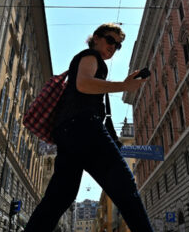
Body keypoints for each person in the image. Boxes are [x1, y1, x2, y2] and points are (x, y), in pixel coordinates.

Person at [24, 23, 153, 231]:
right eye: (110, 40)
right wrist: (123, 85)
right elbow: (83, 84)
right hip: (83, 128)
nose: (113, 47)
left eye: (117, 45)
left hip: (68, 133)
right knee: (125, 186)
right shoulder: (91, 56)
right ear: (96, 38)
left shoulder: (89, 60)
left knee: (59, 197)